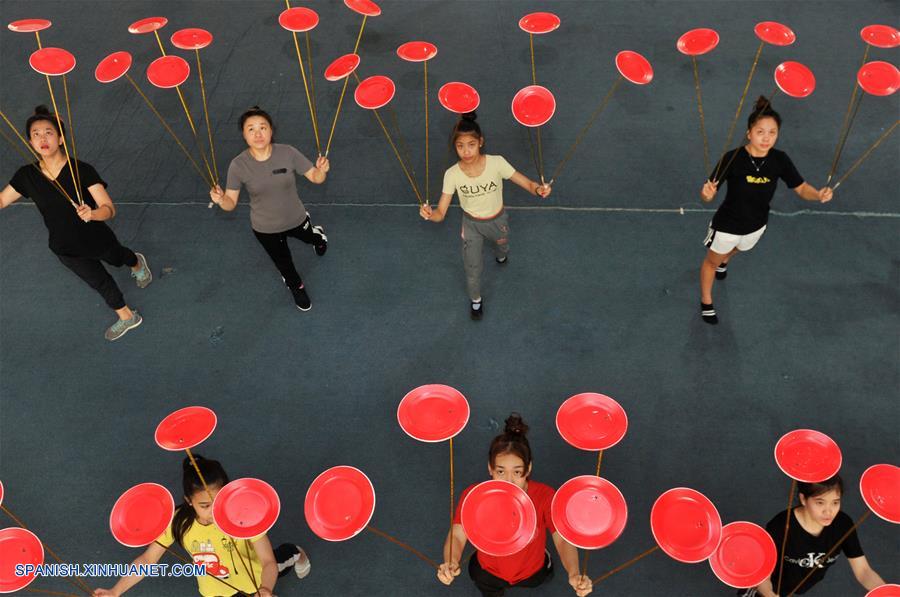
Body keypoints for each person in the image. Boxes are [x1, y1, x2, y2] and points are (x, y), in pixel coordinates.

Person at [1, 105, 151, 340]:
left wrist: (92, 214)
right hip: (64, 247)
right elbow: (1, 199)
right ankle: (127, 317)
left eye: (48, 132)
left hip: (96, 238)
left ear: (60, 138)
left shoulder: (82, 170)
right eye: (36, 134)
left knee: (118, 258)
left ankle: (136, 263)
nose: (42, 138)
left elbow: (109, 209)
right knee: (99, 281)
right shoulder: (26, 176)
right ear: (30, 141)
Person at [93, 454, 310, 597]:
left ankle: (295, 553)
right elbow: (148, 559)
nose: (214, 511)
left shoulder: (242, 510)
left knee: (283, 559)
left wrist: (265, 589)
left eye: (218, 501)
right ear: (189, 501)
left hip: (256, 576)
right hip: (212, 589)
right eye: (205, 505)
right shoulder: (178, 521)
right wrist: (115, 591)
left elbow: (268, 561)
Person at [698, 96, 832, 324]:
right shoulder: (732, 158)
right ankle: (706, 300)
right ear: (749, 133)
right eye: (760, 132)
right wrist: (706, 195)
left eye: (772, 132)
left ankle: (725, 261)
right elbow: (708, 193)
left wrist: (818, 195)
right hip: (727, 225)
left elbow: (801, 188)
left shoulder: (780, 160)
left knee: (738, 250)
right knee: (711, 262)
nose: (766, 138)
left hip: (756, 224)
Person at [436, 413, 592, 596]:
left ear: (528, 469)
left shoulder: (545, 496)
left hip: (533, 570)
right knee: (487, 588)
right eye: (500, 471)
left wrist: (574, 573)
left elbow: (562, 538)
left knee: (540, 579)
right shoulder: (473, 495)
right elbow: (457, 535)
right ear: (490, 468)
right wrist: (451, 561)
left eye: (517, 472)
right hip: (487, 570)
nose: (508, 481)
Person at [419, 112, 551, 320]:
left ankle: (501, 253)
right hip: (471, 225)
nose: (466, 151)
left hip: (498, 221)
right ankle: (476, 299)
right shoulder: (452, 174)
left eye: (471, 144)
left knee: (502, 246)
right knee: (472, 268)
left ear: (481, 142)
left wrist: (538, 190)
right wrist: (429, 215)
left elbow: (526, 183)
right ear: (455, 147)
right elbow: (441, 213)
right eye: (460, 146)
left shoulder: (497, 163)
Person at [209, 106, 329, 311]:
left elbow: (316, 178)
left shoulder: (288, 153)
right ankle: (296, 286)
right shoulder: (238, 165)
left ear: (271, 130)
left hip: (296, 218)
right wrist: (220, 200)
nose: (258, 134)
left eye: (262, 127)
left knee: (310, 237)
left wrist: (322, 170)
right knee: (284, 262)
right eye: (251, 129)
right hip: (265, 228)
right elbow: (230, 203)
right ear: (244, 135)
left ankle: (318, 236)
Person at [738, 475, 887, 596]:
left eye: (835, 503)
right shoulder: (780, 525)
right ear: (803, 499)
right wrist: (769, 594)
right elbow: (762, 574)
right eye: (820, 503)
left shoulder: (843, 524)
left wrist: (887, 593)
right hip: (764, 585)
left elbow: (863, 571)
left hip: (795, 587)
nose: (828, 511)